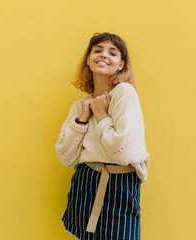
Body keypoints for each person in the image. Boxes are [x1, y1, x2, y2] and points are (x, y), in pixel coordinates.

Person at [54, 32, 150, 240]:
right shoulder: (79, 106)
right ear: (88, 60)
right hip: (85, 182)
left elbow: (122, 154)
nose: (103, 55)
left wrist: (101, 115)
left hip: (119, 185)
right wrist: (82, 119)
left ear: (121, 65)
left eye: (112, 53)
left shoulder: (124, 93)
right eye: (97, 51)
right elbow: (65, 157)